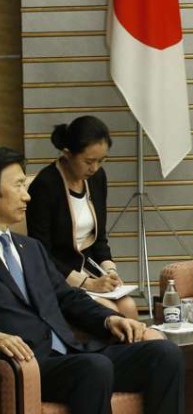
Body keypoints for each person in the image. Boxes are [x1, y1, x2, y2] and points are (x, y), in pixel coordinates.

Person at [0, 147, 184, 414]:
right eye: (18, 185)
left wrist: (109, 320)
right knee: (94, 368)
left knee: (165, 354)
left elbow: (67, 297)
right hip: (28, 364)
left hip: (72, 353)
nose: (27, 195)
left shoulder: (30, 248)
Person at [26, 116, 137, 318]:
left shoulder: (97, 178)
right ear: (68, 153)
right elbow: (41, 253)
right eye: (88, 161)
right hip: (59, 276)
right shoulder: (45, 185)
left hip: (90, 271)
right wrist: (86, 283)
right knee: (110, 312)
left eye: (101, 161)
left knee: (129, 306)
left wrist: (110, 272)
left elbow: (99, 238)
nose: (94, 168)